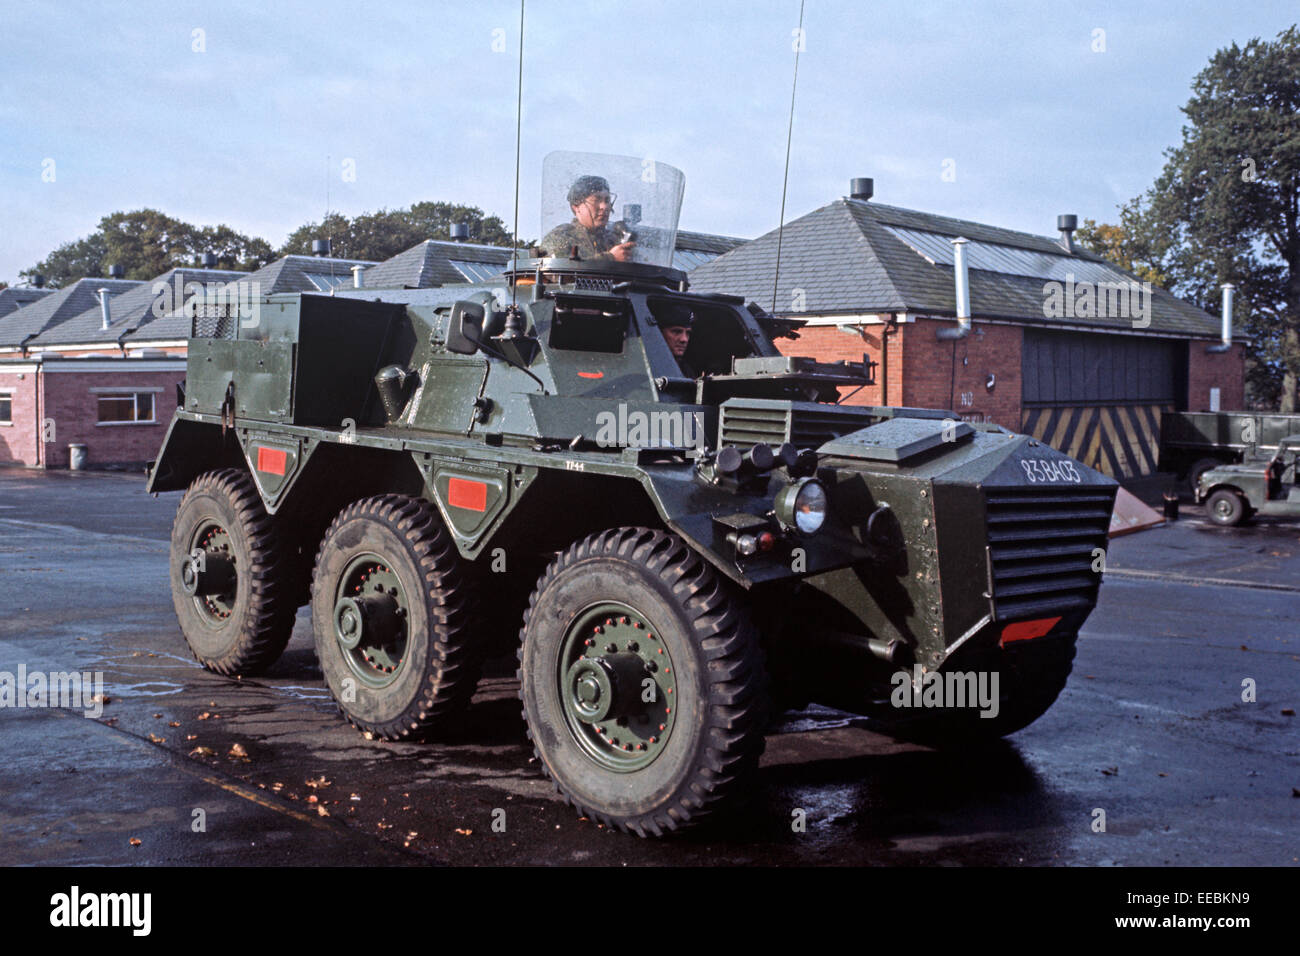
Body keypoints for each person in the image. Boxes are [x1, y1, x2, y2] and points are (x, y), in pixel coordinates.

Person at [541, 175, 637, 262]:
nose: (604, 207)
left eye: (607, 200)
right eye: (596, 200)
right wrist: (610, 258)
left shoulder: (614, 239)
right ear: (576, 206)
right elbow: (558, 274)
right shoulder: (561, 236)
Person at [659, 306, 696, 377]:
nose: (684, 339)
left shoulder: (686, 370)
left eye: (688, 333)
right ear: (660, 333)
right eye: (676, 331)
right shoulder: (648, 366)